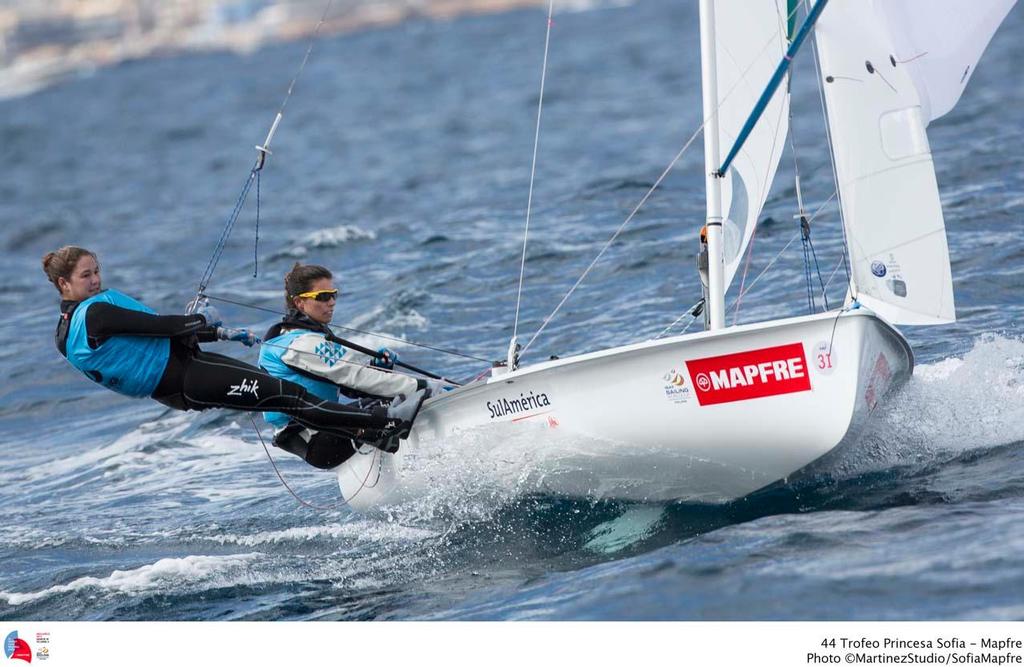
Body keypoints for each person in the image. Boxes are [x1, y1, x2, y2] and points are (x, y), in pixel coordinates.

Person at [43, 246, 421, 460]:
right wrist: (204, 322)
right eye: (86, 276)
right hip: (186, 376)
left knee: (285, 394)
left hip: (181, 378)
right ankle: (385, 424)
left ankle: (370, 431)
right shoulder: (95, 312)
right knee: (289, 397)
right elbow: (165, 328)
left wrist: (212, 332)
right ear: (64, 283)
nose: (95, 280)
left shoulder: (66, 332)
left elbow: (142, 345)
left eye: (97, 271)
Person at [259, 263, 443, 469]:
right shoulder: (301, 344)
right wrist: (424, 386)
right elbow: (357, 379)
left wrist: (377, 368)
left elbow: (351, 386)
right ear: (300, 303)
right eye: (322, 296)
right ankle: (434, 454)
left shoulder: (293, 337)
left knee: (392, 397)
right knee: (405, 397)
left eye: (333, 295)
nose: (331, 302)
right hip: (321, 442)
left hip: (322, 435)